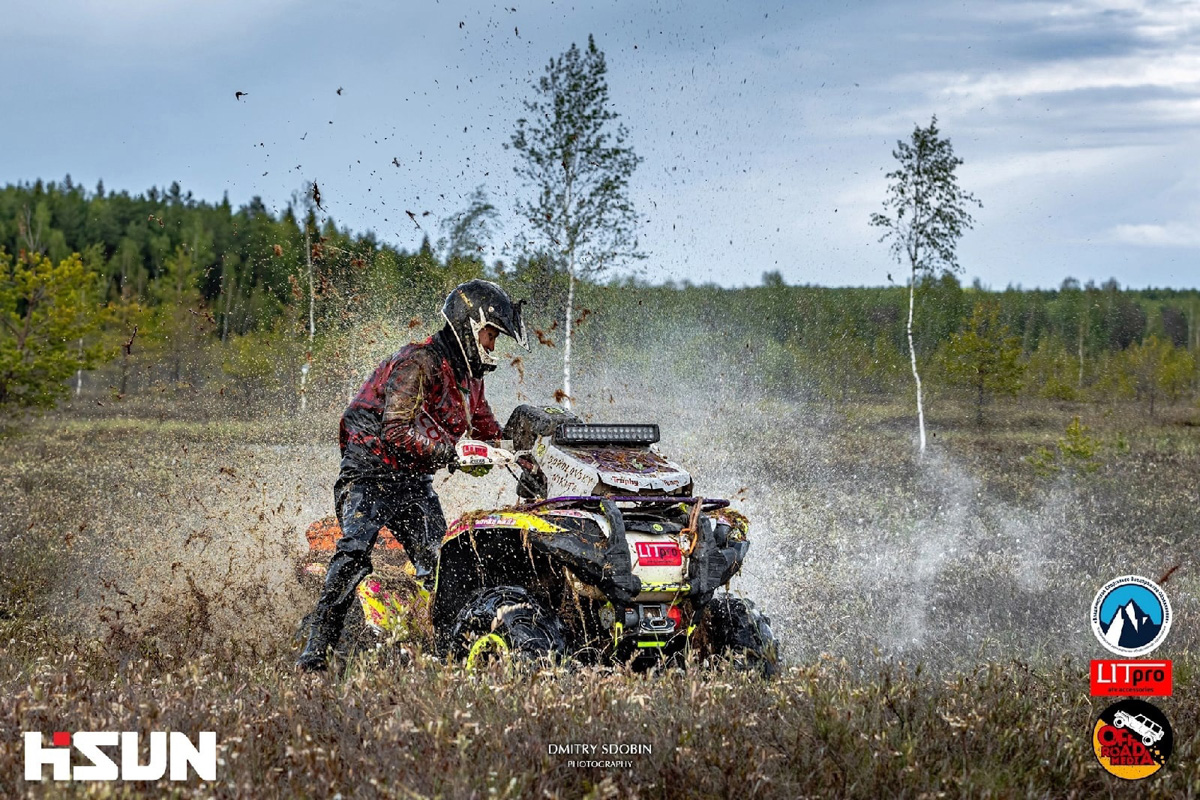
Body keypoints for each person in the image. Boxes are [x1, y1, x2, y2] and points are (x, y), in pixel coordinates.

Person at [297, 279, 527, 672]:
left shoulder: (471, 380)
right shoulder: (417, 362)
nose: (492, 346)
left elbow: (490, 433)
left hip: (412, 482)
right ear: (471, 327)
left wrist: (526, 458)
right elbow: (396, 432)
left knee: (440, 563)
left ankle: (448, 647)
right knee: (354, 552)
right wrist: (453, 453)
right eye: (491, 336)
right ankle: (315, 650)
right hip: (368, 473)